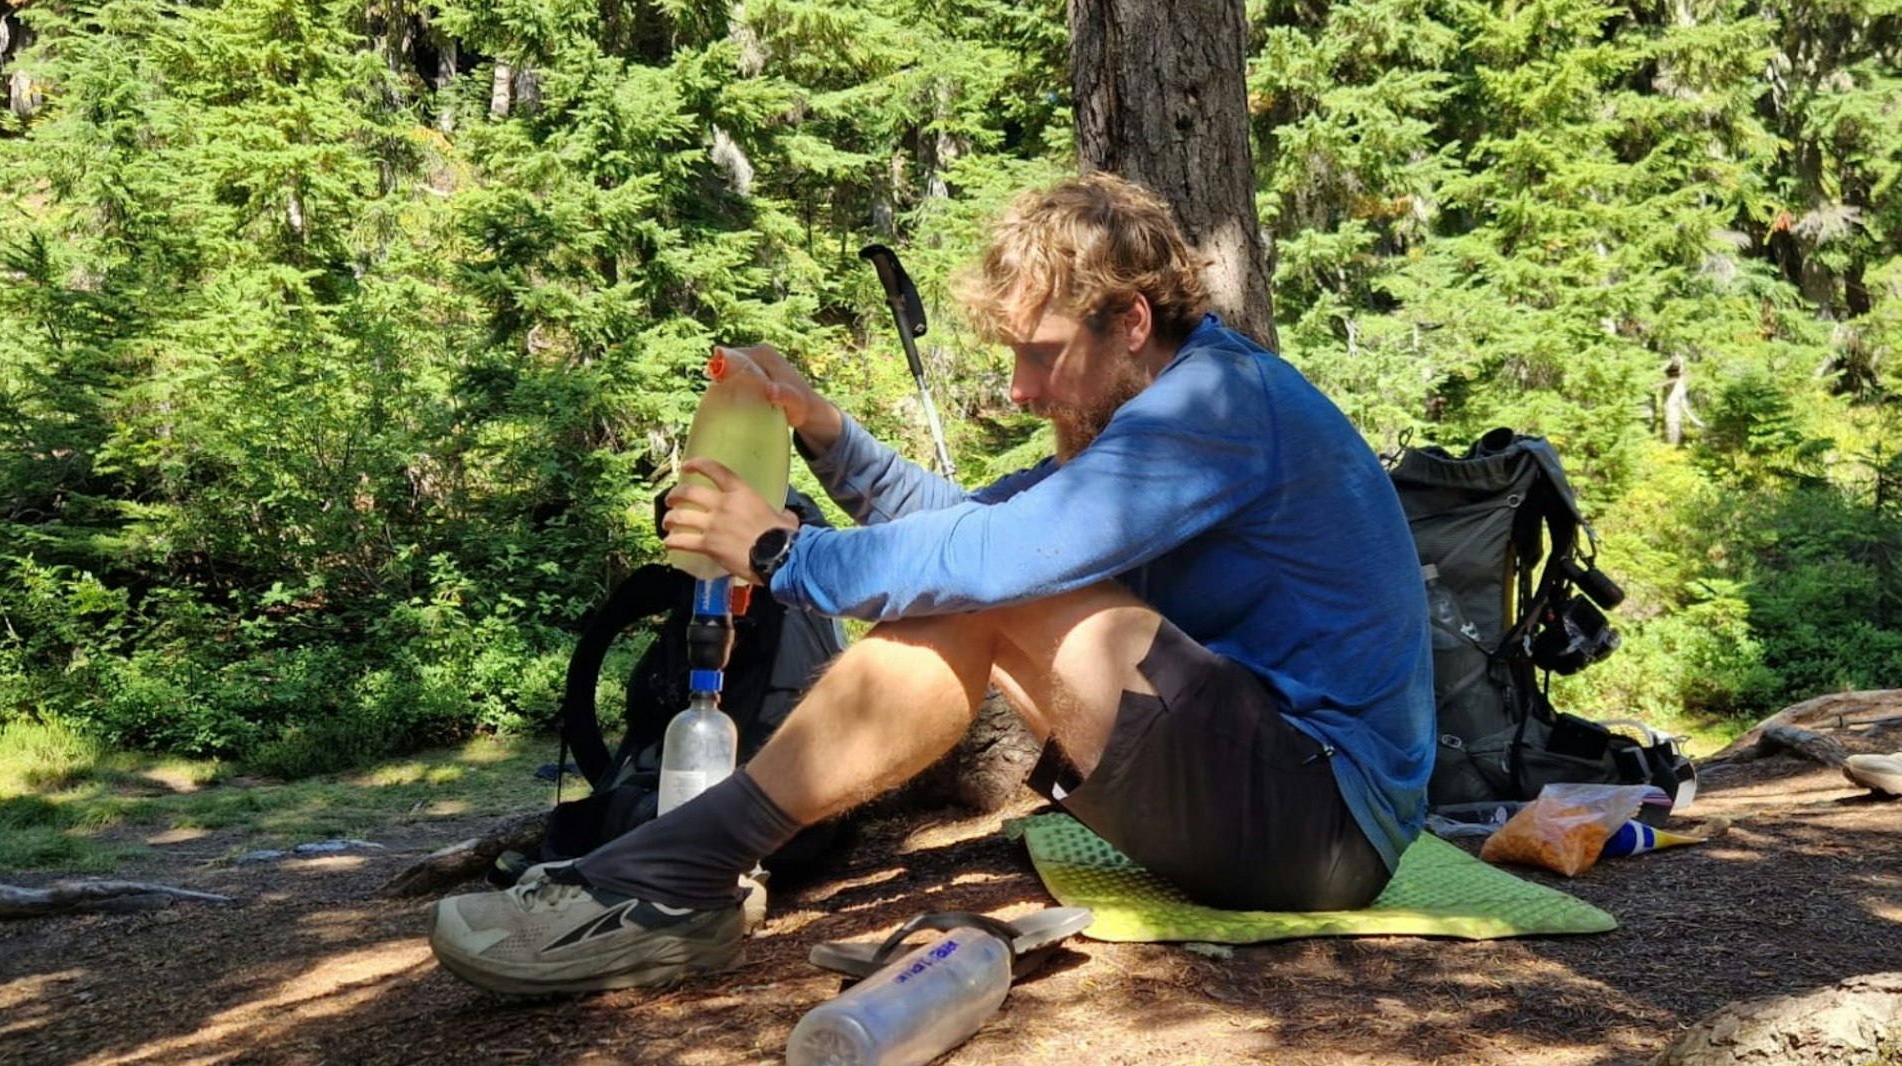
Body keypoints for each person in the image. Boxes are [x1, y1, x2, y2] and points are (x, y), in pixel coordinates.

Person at [429, 173, 1435, 996]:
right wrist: (825, 433)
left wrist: (783, 556)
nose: (1021, 392)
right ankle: (682, 872)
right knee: (979, 582)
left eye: (1039, 357)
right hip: (1259, 803)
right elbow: (975, 527)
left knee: (989, 585)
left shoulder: (1220, 405)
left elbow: (997, 561)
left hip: (1323, 828)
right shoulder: (1162, 418)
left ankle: (675, 873)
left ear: (1129, 321)